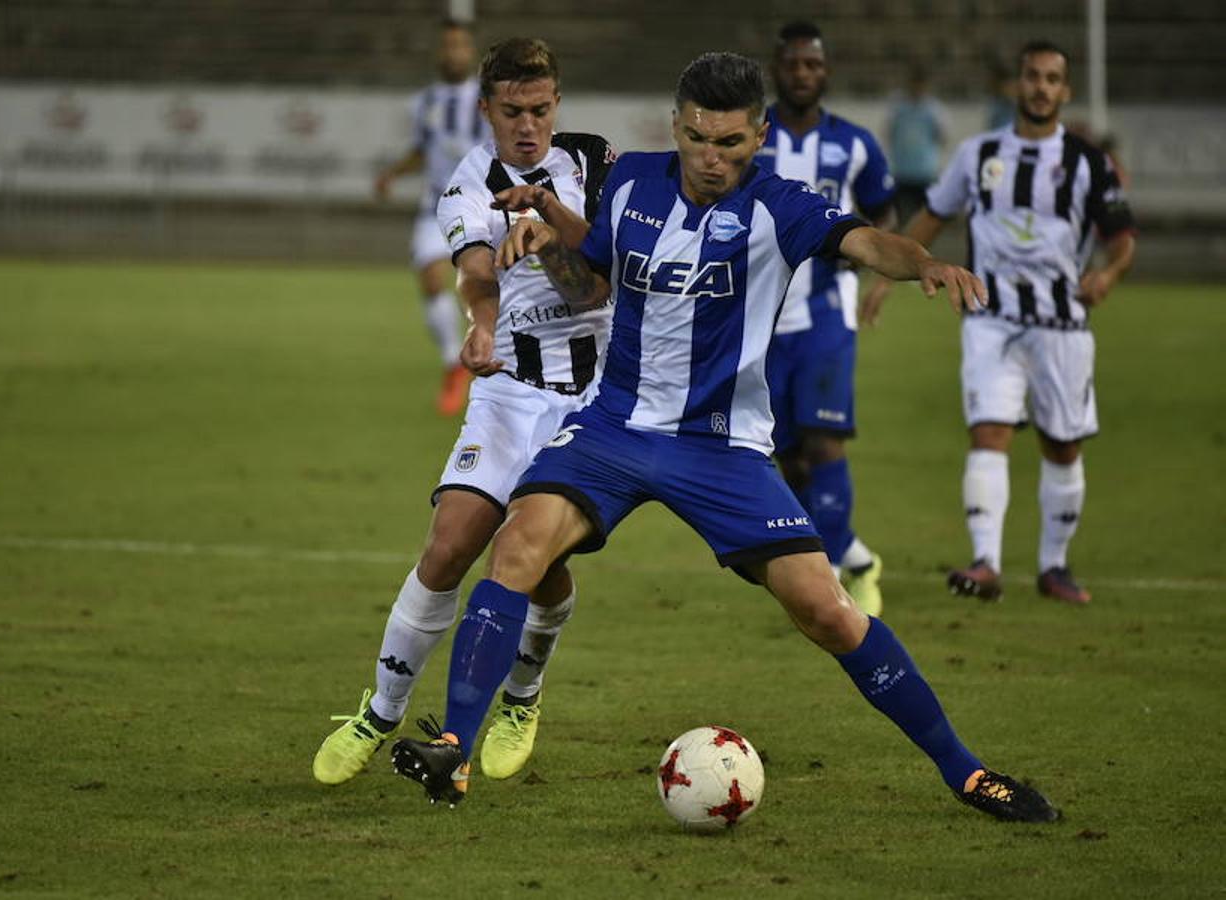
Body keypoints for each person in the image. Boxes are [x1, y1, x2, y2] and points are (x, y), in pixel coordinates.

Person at [391, 51, 1058, 825]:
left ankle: (967, 774)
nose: (711, 159)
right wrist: (549, 243)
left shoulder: (781, 205)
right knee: (516, 548)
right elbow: (597, 279)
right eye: (698, 139)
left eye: (731, 144)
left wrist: (924, 263)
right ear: (677, 126)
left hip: (723, 448)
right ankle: (454, 748)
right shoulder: (636, 180)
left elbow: (866, 242)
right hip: (614, 426)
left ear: (760, 137)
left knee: (829, 612)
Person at [313, 37, 616, 787]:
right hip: (511, 389)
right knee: (450, 544)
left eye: (540, 109)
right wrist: (481, 326)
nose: (528, 125)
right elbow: (478, 277)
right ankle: (380, 712)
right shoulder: (466, 184)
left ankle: (522, 693)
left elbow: (597, 290)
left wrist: (548, 229)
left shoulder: (596, 163)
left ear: (557, 106)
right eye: (512, 110)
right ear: (486, 110)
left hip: (593, 402)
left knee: (532, 556)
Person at [861, 40, 1136, 605]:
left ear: (1065, 90)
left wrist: (1108, 276)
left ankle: (1054, 567)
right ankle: (985, 562)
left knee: (1063, 446)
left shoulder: (1087, 162)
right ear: (1018, 84)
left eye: (1051, 78)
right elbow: (933, 216)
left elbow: (1122, 238)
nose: (1040, 87)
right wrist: (890, 276)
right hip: (991, 318)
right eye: (1031, 76)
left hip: (1062, 325)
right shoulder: (978, 154)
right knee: (989, 430)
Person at [754, 21, 896, 616]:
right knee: (786, 456)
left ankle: (831, 582)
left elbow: (884, 214)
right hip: (760, 320)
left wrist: (882, 280)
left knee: (823, 441)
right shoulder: (751, 136)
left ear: (825, 72)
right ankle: (856, 556)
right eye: (793, 65)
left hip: (825, 314)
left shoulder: (856, 144)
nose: (803, 74)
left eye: (813, 65)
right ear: (778, 69)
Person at [373, 19, 489, 416]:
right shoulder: (425, 102)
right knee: (430, 276)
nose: (453, 53)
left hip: (481, 208)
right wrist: (392, 174)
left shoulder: (488, 98)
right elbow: (422, 150)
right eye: (447, 46)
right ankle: (452, 364)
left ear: (470, 52)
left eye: (460, 46)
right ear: (439, 53)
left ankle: (493, 361)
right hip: (436, 205)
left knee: (481, 287)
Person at [886, 64, 946, 224]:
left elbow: (942, 137)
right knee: (899, 217)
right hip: (902, 171)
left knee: (924, 219)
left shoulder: (934, 109)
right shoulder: (898, 106)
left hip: (924, 172)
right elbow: (889, 132)